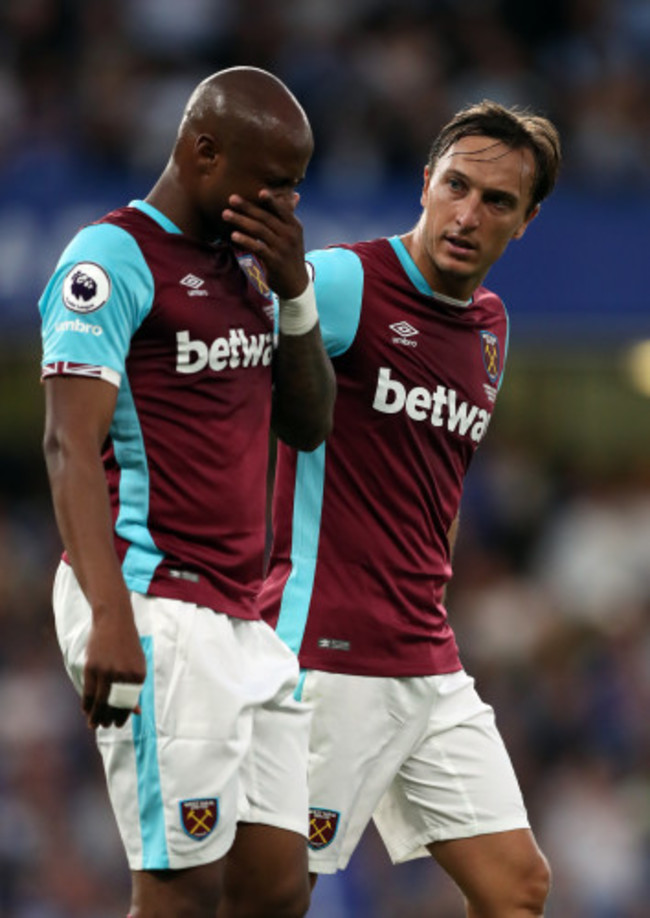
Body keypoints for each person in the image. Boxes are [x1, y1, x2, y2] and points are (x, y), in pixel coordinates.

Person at [39, 66, 335, 918]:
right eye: (272, 181)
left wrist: (294, 288)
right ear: (204, 152)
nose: (285, 203)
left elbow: (308, 425)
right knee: (179, 890)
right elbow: (67, 442)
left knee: (277, 889)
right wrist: (109, 615)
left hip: (242, 615)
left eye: (296, 187)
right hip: (151, 595)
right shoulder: (109, 258)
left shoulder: (246, 271)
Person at [254, 101, 562, 916]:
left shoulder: (491, 328)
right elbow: (229, 366)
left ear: (525, 223)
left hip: (425, 655)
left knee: (518, 885)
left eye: (497, 202)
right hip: (324, 652)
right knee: (274, 898)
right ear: (425, 184)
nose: (468, 214)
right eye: (456, 185)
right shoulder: (349, 281)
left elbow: (436, 485)